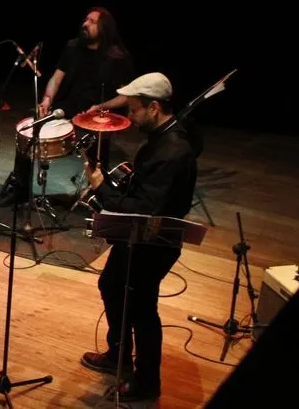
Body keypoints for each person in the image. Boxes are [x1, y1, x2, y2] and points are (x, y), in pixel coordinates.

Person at [79, 72, 198, 402]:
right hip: (140, 237)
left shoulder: (173, 152)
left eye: (133, 109)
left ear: (154, 107)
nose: (129, 116)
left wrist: (100, 186)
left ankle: (147, 383)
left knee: (142, 309)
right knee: (112, 286)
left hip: (153, 243)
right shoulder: (162, 140)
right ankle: (118, 355)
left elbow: (143, 211)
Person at [0, 7, 135, 206]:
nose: (85, 24)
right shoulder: (73, 47)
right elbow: (56, 78)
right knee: (28, 131)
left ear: (104, 28)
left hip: (98, 114)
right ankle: (20, 189)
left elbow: (126, 96)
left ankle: (100, 197)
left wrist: (100, 106)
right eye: (85, 20)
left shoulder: (117, 57)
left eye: (91, 21)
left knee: (98, 155)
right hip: (69, 107)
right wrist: (46, 99)